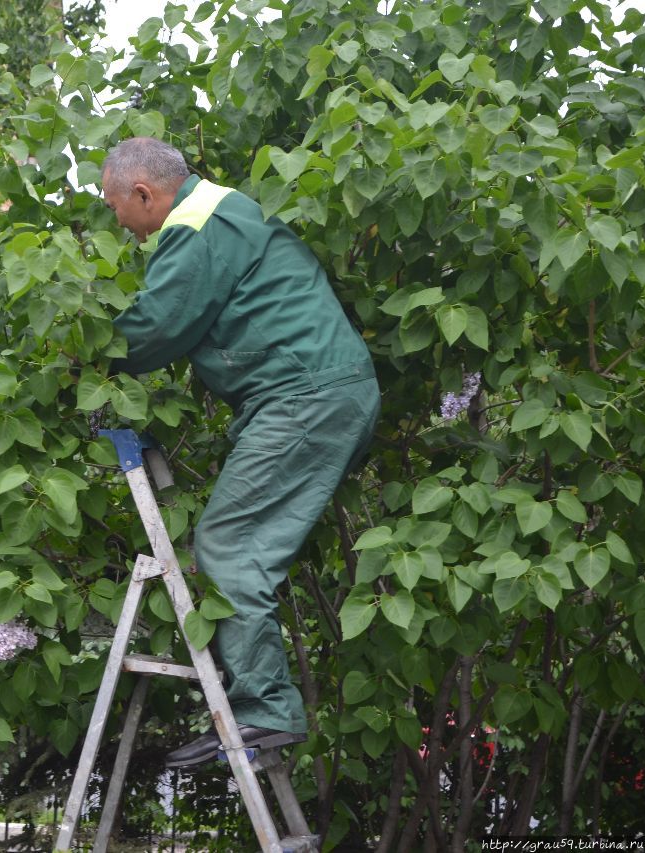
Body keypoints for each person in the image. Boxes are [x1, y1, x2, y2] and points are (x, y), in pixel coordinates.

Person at [100, 137, 380, 768]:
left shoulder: (194, 227)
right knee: (246, 544)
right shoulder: (224, 209)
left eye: (115, 205)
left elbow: (156, 327)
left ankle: (264, 714)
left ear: (144, 195)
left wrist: (75, 357)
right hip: (318, 393)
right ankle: (258, 708)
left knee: (229, 544)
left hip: (305, 398)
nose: (117, 221)